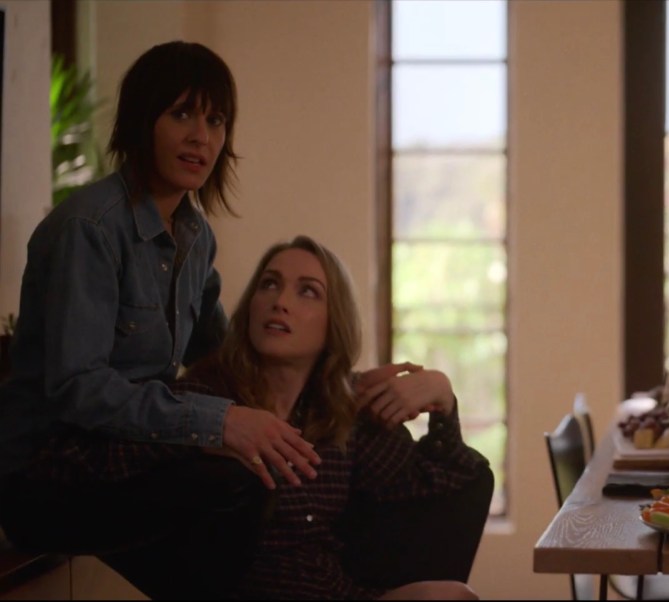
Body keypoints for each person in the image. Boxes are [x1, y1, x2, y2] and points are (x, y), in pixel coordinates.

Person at [0, 41, 435, 599]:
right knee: (234, 486)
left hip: (126, 460)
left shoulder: (193, 235)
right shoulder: (90, 229)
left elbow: (228, 354)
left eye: (215, 119)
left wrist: (341, 381)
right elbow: (77, 390)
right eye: (180, 114)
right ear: (141, 121)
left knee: (262, 481)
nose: (200, 137)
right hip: (45, 475)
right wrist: (220, 422)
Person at [47, 236, 488, 599]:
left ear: (334, 324)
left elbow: (450, 485)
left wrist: (443, 401)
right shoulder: (203, 403)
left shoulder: (337, 412)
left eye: (307, 291)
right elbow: (81, 464)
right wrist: (209, 433)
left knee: (452, 595)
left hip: (337, 592)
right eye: (269, 285)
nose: (280, 302)